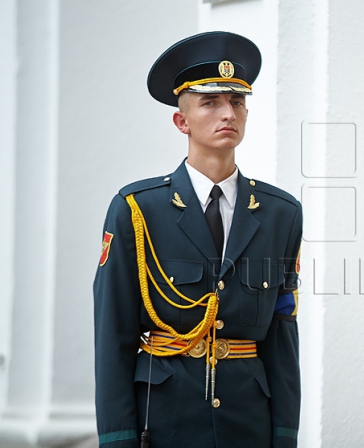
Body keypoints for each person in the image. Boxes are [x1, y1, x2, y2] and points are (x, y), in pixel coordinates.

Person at [93, 32, 302, 448]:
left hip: (249, 425)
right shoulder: (137, 210)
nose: (228, 113)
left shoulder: (282, 213)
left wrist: (284, 434)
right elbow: (112, 335)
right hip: (165, 422)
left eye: (237, 102)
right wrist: (117, 439)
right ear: (182, 121)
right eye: (211, 102)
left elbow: (282, 337)